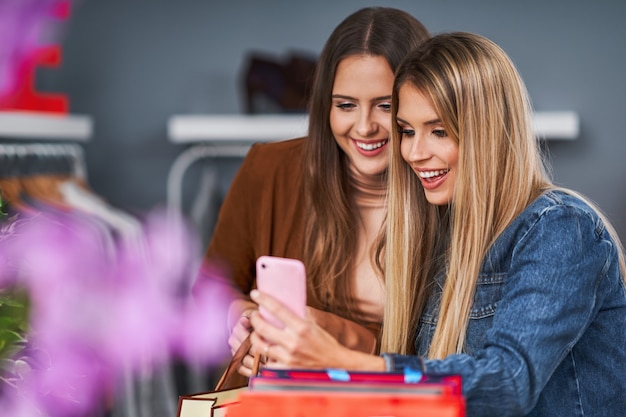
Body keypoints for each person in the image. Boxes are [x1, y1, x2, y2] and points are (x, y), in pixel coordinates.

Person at [249, 32, 626, 416]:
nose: (414, 152)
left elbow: (506, 382)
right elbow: (421, 378)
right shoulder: (440, 235)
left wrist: (346, 363)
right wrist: (318, 344)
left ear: (487, 133)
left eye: (439, 131)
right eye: (407, 131)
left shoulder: (561, 228)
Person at [198, 7, 430, 376]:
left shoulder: (444, 191)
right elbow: (209, 289)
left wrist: (340, 335)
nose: (365, 126)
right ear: (325, 105)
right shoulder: (270, 169)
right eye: (345, 106)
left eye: (386, 106)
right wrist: (239, 317)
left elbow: (455, 355)